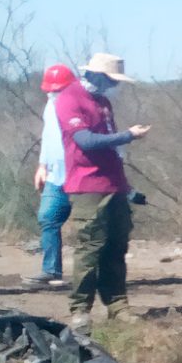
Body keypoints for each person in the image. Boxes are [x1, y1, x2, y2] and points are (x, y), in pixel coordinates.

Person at [55, 53, 149, 321]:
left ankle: (117, 305)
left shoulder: (104, 102)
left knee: (116, 246)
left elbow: (112, 149)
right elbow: (85, 140)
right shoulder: (70, 98)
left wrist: (127, 187)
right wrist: (128, 135)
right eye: (111, 79)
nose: (114, 86)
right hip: (88, 185)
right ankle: (80, 310)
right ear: (96, 75)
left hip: (114, 183)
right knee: (90, 247)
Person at [33, 63, 74, 287]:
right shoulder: (50, 105)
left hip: (80, 173)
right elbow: (48, 138)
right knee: (47, 218)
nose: (54, 92)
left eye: (59, 88)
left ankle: (99, 275)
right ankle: (51, 270)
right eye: (51, 89)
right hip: (55, 173)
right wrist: (42, 165)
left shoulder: (80, 104)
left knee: (92, 226)